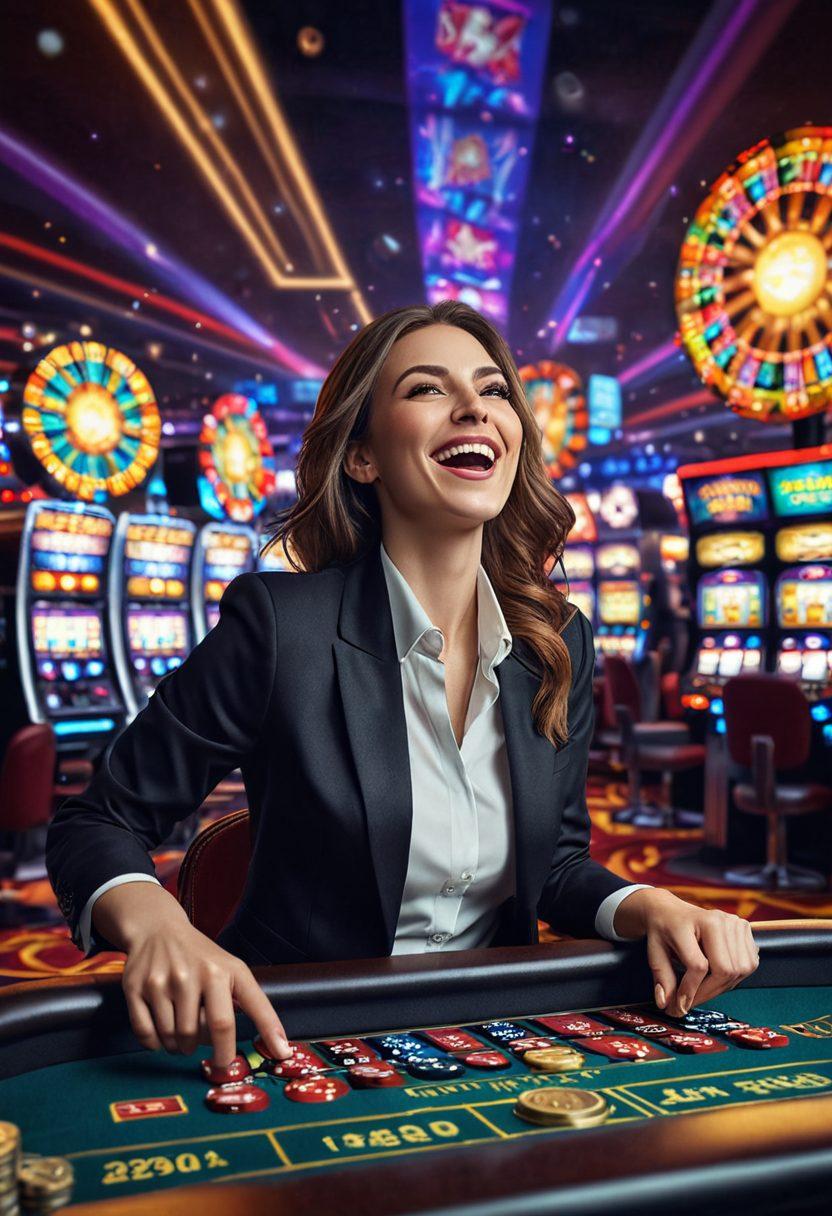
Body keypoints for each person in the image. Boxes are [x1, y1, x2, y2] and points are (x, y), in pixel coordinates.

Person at [46, 300, 759, 1070]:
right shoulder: (282, 628)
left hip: (493, 1033)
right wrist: (159, 924)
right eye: (426, 389)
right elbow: (97, 820)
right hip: (301, 1034)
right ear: (363, 457)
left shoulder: (557, 641)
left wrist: (645, 903)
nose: (473, 410)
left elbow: (552, 865)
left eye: (493, 391)